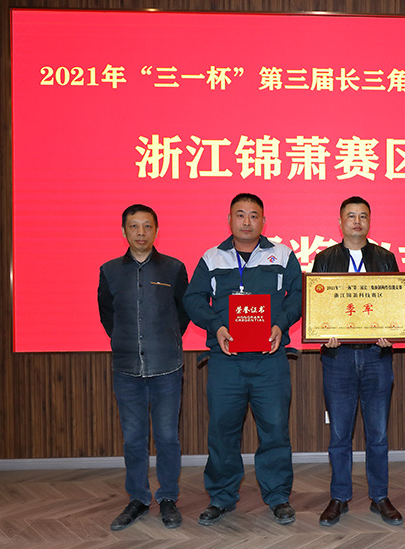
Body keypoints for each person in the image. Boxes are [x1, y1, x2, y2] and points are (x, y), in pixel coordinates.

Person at [183, 193, 302, 526]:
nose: (247, 221)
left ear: (263, 221)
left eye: (253, 215)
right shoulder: (212, 257)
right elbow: (193, 299)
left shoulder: (282, 254)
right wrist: (216, 326)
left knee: (275, 431)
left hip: (269, 360)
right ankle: (221, 497)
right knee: (222, 432)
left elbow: (300, 295)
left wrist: (281, 324)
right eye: (240, 214)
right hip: (226, 361)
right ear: (229, 220)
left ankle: (278, 497)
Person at [97, 204, 190, 531]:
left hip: (166, 368)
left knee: (167, 438)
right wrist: (127, 341)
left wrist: (164, 340)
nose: (140, 232)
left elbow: (183, 313)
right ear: (124, 231)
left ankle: (168, 498)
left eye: (147, 226)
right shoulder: (109, 271)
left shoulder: (174, 269)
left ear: (156, 230)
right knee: (134, 440)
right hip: (126, 369)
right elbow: (107, 315)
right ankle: (137, 498)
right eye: (134, 226)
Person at [311, 196, 402, 527]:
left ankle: (380, 497)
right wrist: (324, 333)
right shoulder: (324, 258)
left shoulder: (385, 258)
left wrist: (391, 332)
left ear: (369, 222)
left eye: (363, 216)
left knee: (378, 434)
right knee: (339, 434)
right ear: (340, 222)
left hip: (377, 355)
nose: (357, 221)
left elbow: (393, 304)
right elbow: (318, 306)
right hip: (339, 357)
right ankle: (340, 497)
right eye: (351, 216)